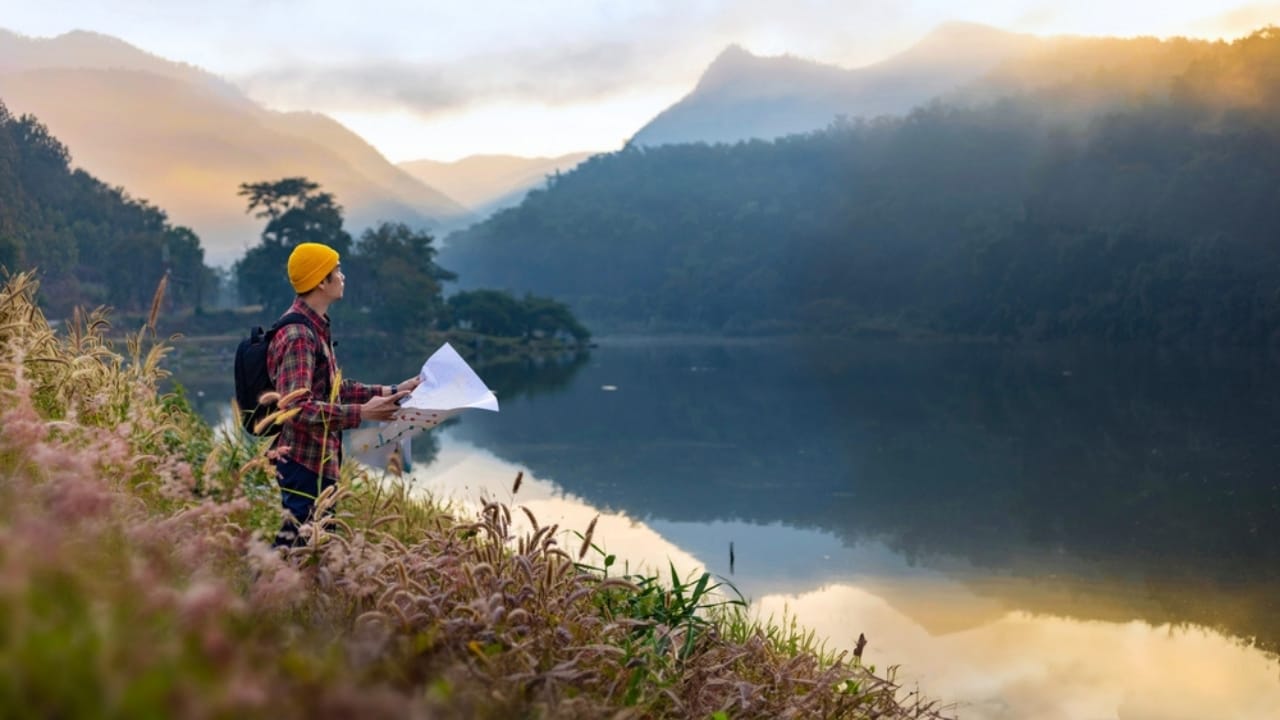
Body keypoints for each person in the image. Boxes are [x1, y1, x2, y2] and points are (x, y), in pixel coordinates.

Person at [266, 242, 418, 547]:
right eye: (337, 270)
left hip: (319, 461)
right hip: (303, 462)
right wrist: (363, 414)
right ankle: (257, 593)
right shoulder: (298, 335)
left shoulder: (315, 326)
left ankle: (279, 593)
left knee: (311, 550)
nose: (343, 276)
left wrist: (394, 391)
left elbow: (336, 389)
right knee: (293, 549)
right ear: (322, 281)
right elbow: (297, 409)